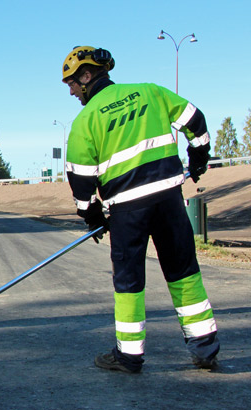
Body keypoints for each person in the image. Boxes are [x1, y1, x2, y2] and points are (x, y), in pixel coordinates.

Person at [61, 46, 220, 373]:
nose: (72, 91)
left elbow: (80, 183)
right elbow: (195, 119)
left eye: (73, 83)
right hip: (169, 200)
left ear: (88, 75)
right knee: (183, 270)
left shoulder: (85, 120)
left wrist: (93, 217)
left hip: (126, 212)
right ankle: (205, 346)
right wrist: (199, 156)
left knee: (129, 280)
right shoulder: (151, 92)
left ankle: (129, 356)